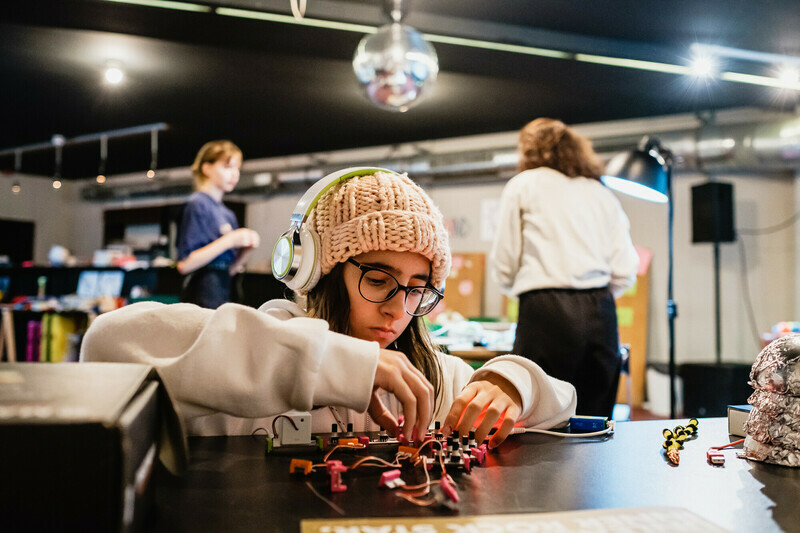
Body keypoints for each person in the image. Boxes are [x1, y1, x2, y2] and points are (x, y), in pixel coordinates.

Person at [81, 168, 576, 449]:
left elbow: (563, 404)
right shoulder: (250, 348)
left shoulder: (432, 375)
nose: (398, 309)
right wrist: (341, 364)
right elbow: (108, 343)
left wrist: (513, 381)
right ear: (316, 270)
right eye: (378, 279)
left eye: (417, 288)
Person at [490, 118, 639, 419]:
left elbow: (505, 261)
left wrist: (519, 287)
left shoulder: (523, 185)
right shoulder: (600, 192)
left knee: (540, 418)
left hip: (545, 310)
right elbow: (624, 268)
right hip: (600, 311)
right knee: (595, 419)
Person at [177, 140, 260, 309]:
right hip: (199, 299)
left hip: (221, 295)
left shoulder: (227, 214)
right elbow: (185, 264)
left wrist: (246, 250)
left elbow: (230, 270)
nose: (235, 174)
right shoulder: (198, 204)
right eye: (228, 167)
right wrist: (230, 240)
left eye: (237, 168)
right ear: (206, 168)